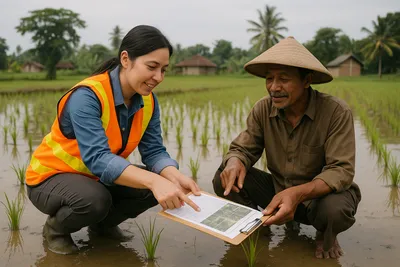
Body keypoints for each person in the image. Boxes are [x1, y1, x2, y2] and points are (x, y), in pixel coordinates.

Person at [25, 25, 201, 255]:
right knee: (97, 199)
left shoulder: (148, 102)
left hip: (94, 177)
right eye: (152, 67)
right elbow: (98, 158)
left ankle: (102, 226)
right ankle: (56, 230)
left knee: (154, 185)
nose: (158, 77)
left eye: (164, 70)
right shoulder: (87, 96)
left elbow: (154, 152)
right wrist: (154, 181)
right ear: (126, 59)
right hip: (49, 179)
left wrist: (173, 176)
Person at [213, 37, 361, 259]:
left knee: (335, 211)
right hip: (278, 190)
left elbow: (341, 170)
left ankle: (325, 233)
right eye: (269, 78)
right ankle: (257, 227)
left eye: (283, 79)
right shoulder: (263, 109)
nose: (274, 87)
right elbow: (243, 148)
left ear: (307, 80)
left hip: (318, 198)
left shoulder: (335, 112)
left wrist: (296, 193)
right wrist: (235, 162)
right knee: (223, 178)